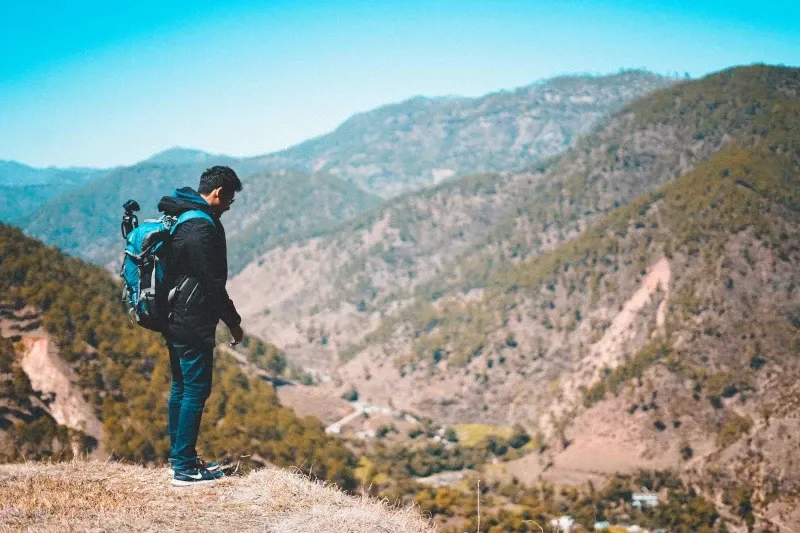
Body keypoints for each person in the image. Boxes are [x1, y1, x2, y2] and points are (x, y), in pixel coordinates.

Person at [156, 165, 244, 486]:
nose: (231, 205)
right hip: (191, 320)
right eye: (230, 198)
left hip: (173, 315)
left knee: (181, 387)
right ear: (218, 192)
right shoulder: (201, 228)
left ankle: (181, 459)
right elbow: (212, 284)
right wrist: (233, 322)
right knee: (195, 389)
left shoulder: (184, 217)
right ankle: (184, 468)